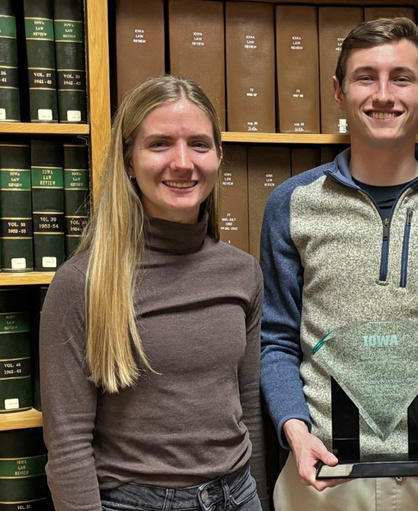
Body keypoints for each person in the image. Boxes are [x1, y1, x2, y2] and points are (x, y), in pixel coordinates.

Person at [259, 17, 418, 511]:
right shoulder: (292, 203)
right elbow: (277, 340)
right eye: (366, 76)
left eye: (402, 78)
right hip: (321, 477)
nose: (384, 94)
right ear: (338, 91)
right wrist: (294, 431)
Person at [40, 75, 268, 511]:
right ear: (128, 161)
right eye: (160, 144)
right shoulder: (82, 282)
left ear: (219, 157)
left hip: (238, 496)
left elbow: (249, 410)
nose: (182, 163)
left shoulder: (243, 273)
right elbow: (68, 445)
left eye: (199, 144)